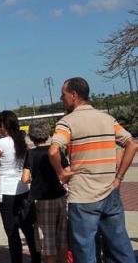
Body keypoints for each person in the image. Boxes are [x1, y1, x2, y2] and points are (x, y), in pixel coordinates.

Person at [49, 77, 138, 263]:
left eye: (63, 95)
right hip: (110, 191)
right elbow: (131, 144)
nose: (61, 99)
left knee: (85, 251)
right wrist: (119, 177)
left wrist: (61, 172)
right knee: (120, 247)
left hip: (83, 196)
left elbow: (54, 150)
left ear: (73, 96)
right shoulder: (107, 119)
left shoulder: (67, 122)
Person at [0, 111, 39, 263]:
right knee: (28, 230)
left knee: (12, 232)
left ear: (4, 125)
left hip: (6, 191)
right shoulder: (20, 141)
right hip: (23, 189)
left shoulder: (1, 143)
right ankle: (36, 258)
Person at [22, 121, 69, 263]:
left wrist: (31, 177)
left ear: (31, 136)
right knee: (62, 237)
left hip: (42, 199)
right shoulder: (56, 151)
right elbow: (66, 172)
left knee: (48, 239)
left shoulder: (30, 154)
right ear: (48, 134)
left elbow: (24, 178)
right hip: (60, 196)